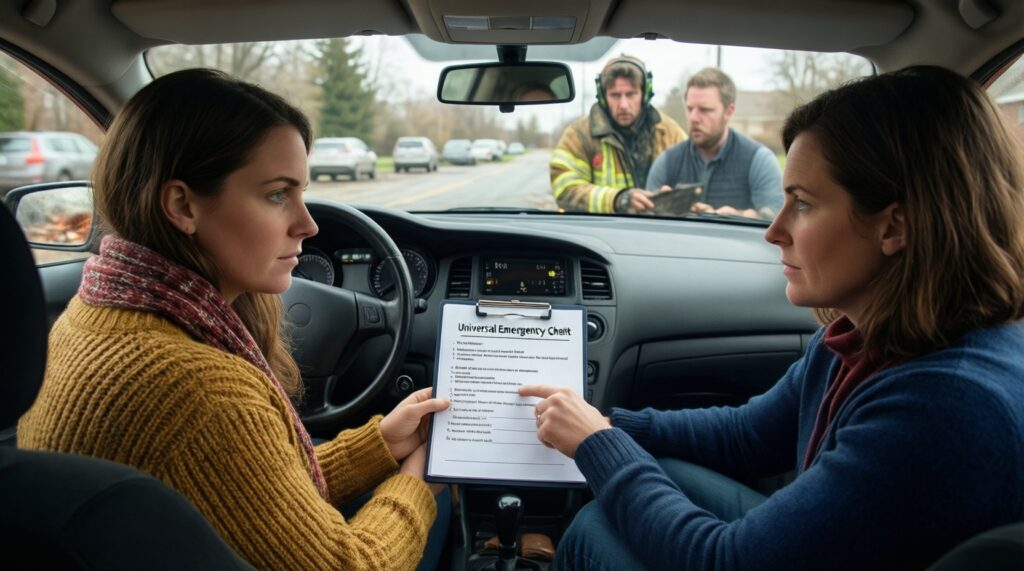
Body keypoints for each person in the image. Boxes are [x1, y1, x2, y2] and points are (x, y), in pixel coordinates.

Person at [522, 65, 1024, 570]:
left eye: (802, 204)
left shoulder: (944, 407)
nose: (773, 231)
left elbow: (724, 561)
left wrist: (598, 444)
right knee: (653, 471)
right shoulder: (863, 335)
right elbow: (749, 435)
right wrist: (611, 423)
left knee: (592, 531)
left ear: (894, 226)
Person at [18, 68, 451, 571]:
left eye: (302, 193)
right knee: (432, 515)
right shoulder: (200, 392)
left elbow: (249, 490)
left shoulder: (93, 313)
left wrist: (379, 446)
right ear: (183, 205)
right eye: (276, 195)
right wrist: (419, 483)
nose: (307, 224)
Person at [550, 55, 686, 213]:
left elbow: (694, 180)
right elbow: (564, 189)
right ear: (602, 96)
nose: (623, 105)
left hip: (658, 232)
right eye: (615, 95)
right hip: (601, 233)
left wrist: (672, 197)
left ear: (645, 94)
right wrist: (617, 199)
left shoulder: (670, 132)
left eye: (631, 94)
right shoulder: (578, 135)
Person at [646, 68, 783, 218]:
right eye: (690, 109)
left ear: (729, 112)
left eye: (704, 110)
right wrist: (662, 206)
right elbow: (648, 224)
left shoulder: (758, 160)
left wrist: (735, 216)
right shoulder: (666, 163)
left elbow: (776, 218)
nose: (694, 118)